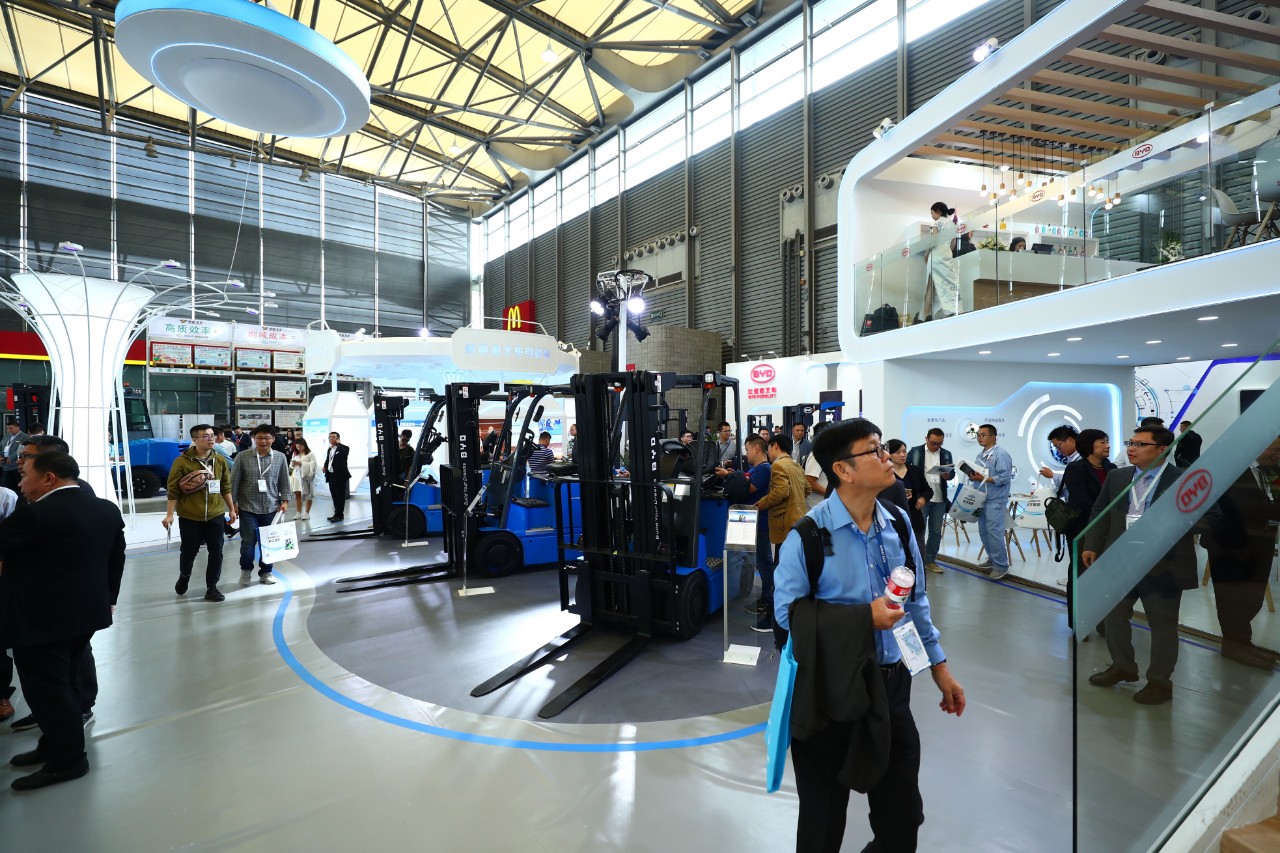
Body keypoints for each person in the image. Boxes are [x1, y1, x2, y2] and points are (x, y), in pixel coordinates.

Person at [774, 419, 965, 852]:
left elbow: (915, 603)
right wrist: (865, 618)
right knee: (822, 823)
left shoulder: (898, 522)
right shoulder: (808, 536)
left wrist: (939, 667)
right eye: (875, 450)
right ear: (843, 469)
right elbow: (787, 616)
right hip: (829, 691)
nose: (889, 457)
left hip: (890, 688)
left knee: (903, 817)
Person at [0, 451, 126, 791]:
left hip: (40, 620)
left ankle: (68, 761)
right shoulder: (105, 509)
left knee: (47, 691)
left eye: (24, 475)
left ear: (48, 478)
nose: (20, 483)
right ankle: (54, 746)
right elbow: (116, 558)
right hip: (86, 614)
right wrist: (108, 599)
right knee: (66, 684)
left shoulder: (37, 514)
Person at [1081, 426, 1192, 705]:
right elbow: (1100, 511)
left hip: (1163, 563)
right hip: (1121, 559)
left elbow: (1208, 516)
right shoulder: (1118, 476)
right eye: (1130, 442)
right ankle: (1123, 667)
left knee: (1162, 625)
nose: (1131, 448)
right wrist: (1092, 544)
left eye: (1140, 444)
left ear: (1162, 450)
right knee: (1113, 615)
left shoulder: (1182, 479)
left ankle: (1159, 682)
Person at [1203, 434, 1280, 670]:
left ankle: (1242, 642)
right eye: (1275, 450)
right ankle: (1234, 645)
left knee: (1253, 596)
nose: (1278, 455)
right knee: (1232, 598)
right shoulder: (1232, 470)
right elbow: (1240, 507)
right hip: (1231, 545)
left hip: (1262, 540)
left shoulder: (1269, 470)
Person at [161, 424, 236, 602]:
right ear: (194, 440)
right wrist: (169, 514)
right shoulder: (182, 462)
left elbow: (225, 486)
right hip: (190, 516)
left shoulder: (219, 460)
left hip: (216, 514)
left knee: (216, 551)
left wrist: (231, 509)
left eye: (212, 435)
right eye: (206, 436)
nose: (211, 439)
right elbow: (173, 490)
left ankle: (212, 588)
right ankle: (184, 576)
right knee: (189, 551)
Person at [753, 434, 810, 632]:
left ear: (775, 446)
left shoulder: (778, 465)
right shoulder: (795, 465)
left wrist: (763, 503)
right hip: (799, 522)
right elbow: (807, 489)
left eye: (768, 448)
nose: (768, 453)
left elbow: (781, 492)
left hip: (784, 525)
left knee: (780, 573)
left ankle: (774, 620)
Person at [1060, 429, 1116, 629]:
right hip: (1083, 529)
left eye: (1107, 442)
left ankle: (1101, 620)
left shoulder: (1111, 468)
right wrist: (1106, 512)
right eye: (1102, 442)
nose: (1107, 446)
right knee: (1080, 573)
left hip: (1107, 530)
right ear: (1089, 445)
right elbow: (1081, 500)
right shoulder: (1076, 468)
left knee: (1103, 575)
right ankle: (1078, 620)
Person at [716, 436, 773, 627]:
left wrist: (728, 476)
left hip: (759, 522)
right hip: (750, 521)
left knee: (764, 562)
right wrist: (734, 475)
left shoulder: (764, 469)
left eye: (747, 449)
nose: (746, 453)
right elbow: (744, 480)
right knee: (754, 560)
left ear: (756, 449)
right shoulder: (755, 469)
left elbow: (747, 489)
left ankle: (768, 600)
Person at [230, 424, 291, 585]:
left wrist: (285, 500)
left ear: (273, 439)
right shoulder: (242, 456)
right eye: (259, 438)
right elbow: (234, 482)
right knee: (248, 542)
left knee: (268, 542)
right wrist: (233, 504)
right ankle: (245, 572)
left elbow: (284, 480)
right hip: (247, 507)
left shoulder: (280, 457)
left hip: (271, 507)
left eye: (267, 438)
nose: (263, 441)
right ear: (254, 438)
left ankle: (266, 572)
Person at [969, 423, 1013, 580]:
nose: (979, 438)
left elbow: (1005, 477)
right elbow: (980, 476)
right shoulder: (980, 455)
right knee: (984, 532)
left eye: (983, 435)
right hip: (981, 499)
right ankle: (992, 559)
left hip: (995, 500)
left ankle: (1001, 566)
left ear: (993, 437)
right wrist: (973, 476)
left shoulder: (1001, 455)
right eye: (978, 435)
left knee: (994, 534)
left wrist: (985, 478)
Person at [907, 428, 953, 574]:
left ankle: (930, 560)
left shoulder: (946, 454)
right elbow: (905, 470)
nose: (936, 446)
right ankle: (916, 560)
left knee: (936, 532)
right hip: (921, 498)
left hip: (939, 498)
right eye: (933, 443)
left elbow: (951, 473)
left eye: (939, 443)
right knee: (919, 531)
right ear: (926, 439)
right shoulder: (915, 451)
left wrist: (948, 476)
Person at [888, 439, 932, 551]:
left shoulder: (915, 471)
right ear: (889, 454)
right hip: (893, 518)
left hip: (914, 517)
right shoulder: (885, 473)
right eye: (898, 452)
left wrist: (923, 498)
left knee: (918, 551)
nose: (902, 455)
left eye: (904, 451)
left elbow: (928, 490)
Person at [927, 202, 960, 319]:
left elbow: (934, 240)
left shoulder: (936, 223)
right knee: (950, 281)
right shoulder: (952, 224)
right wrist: (947, 250)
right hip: (947, 254)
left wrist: (927, 253)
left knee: (932, 285)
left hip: (936, 255)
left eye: (932, 213)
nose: (932, 216)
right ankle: (953, 308)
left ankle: (929, 314)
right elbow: (953, 243)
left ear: (938, 212)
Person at [1041, 425, 1080, 493]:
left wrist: (1052, 475)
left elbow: (1072, 481)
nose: (1058, 451)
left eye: (1058, 446)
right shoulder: (1071, 459)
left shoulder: (1083, 458)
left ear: (1070, 440)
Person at [322, 431, 351, 522]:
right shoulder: (329, 449)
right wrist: (325, 467)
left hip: (340, 476)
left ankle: (340, 515)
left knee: (340, 496)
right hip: (331, 475)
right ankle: (336, 514)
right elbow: (328, 460)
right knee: (334, 496)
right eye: (330, 437)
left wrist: (339, 445)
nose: (331, 438)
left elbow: (344, 455)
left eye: (333, 437)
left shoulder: (344, 448)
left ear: (338, 438)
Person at [804, 422, 831, 509]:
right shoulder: (817, 455)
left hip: (826, 503)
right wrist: (830, 494)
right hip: (817, 505)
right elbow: (810, 482)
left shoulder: (828, 453)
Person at [290, 437, 317, 520]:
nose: (299, 448)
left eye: (300, 446)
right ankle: (298, 512)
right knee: (297, 495)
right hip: (297, 477)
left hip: (306, 477)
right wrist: (293, 464)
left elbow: (313, 465)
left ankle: (307, 513)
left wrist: (302, 463)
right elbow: (291, 465)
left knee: (308, 495)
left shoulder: (310, 454)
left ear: (304, 445)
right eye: (297, 446)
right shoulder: (295, 454)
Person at [1, 421, 29, 490]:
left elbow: (21, 449)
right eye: (7, 428)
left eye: (11, 428)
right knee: (7, 486)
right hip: (5, 465)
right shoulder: (6, 436)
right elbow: (1, 447)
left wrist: (10, 458)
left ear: (18, 427)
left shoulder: (25, 437)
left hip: (16, 466)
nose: (9, 430)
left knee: (18, 486)